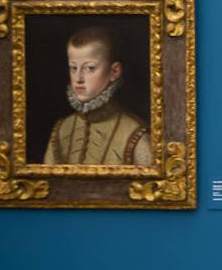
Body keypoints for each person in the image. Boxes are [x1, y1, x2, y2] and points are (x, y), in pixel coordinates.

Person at [43, 26, 152, 166]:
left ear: (114, 72)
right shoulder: (62, 129)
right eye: (73, 68)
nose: (79, 78)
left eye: (89, 68)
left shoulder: (135, 133)